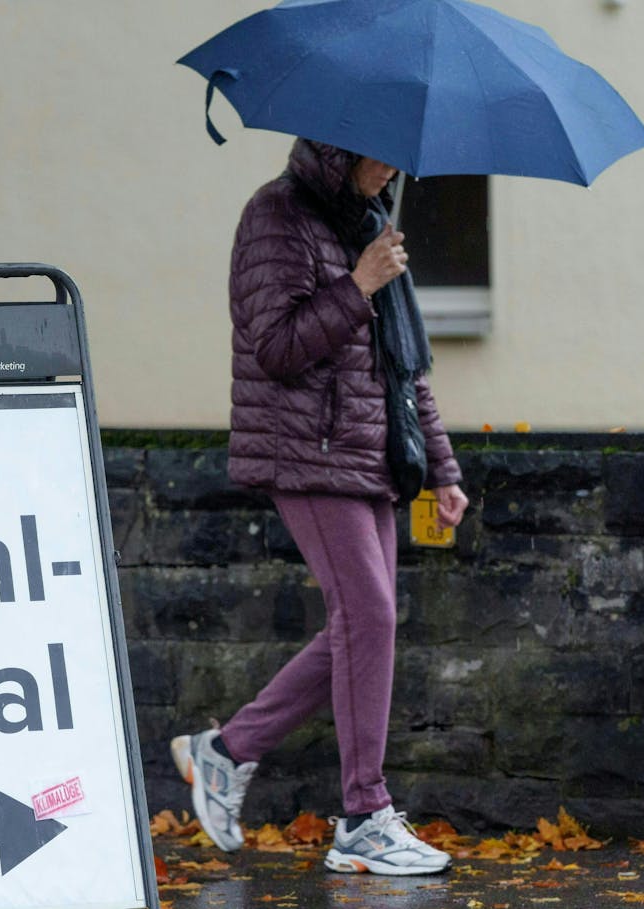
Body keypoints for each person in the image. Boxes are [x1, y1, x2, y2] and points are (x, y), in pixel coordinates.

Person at [171, 138, 469, 876]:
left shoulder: (367, 223)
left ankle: (227, 749)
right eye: (381, 157)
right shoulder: (275, 217)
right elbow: (272, 347)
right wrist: (358, 285)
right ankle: (365, 813)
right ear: (341, 150)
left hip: (371, 455)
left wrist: (443, 468)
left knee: (362, 625)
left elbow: (407, 368)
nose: (392, 172)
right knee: (369, 616)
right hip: (307, 450)